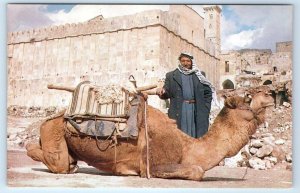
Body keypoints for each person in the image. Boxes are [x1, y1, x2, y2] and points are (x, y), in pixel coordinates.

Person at [156, 52, 217, 138]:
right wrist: (163, 92)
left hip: (197, 109)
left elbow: (208, 93)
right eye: (183, 61)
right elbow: (167, 92)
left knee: (197, 136)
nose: (185, 63)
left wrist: (206, 108)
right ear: (180, 61)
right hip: (180, 110)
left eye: (188, 61)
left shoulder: (199, 75)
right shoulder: (171, 75)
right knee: (180, 137)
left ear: (192, 62)